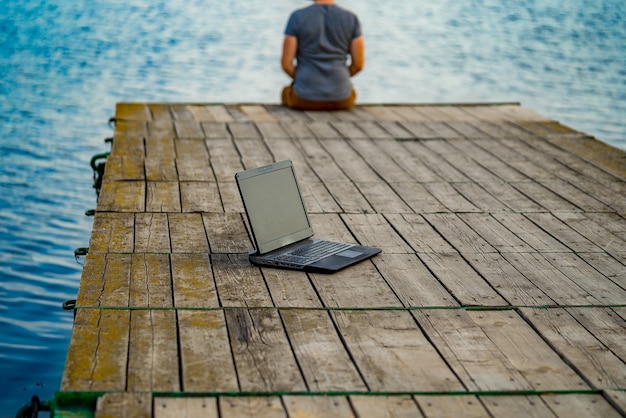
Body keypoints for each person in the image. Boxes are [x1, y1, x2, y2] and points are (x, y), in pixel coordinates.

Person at [281, 0, 364, 111]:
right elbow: (358, 65)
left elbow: (286, 64)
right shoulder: (352, 19)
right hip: (342, 98)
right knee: (352, 92)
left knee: (285, 92)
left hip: (304, 98)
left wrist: (302, 78)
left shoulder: (297, 17)